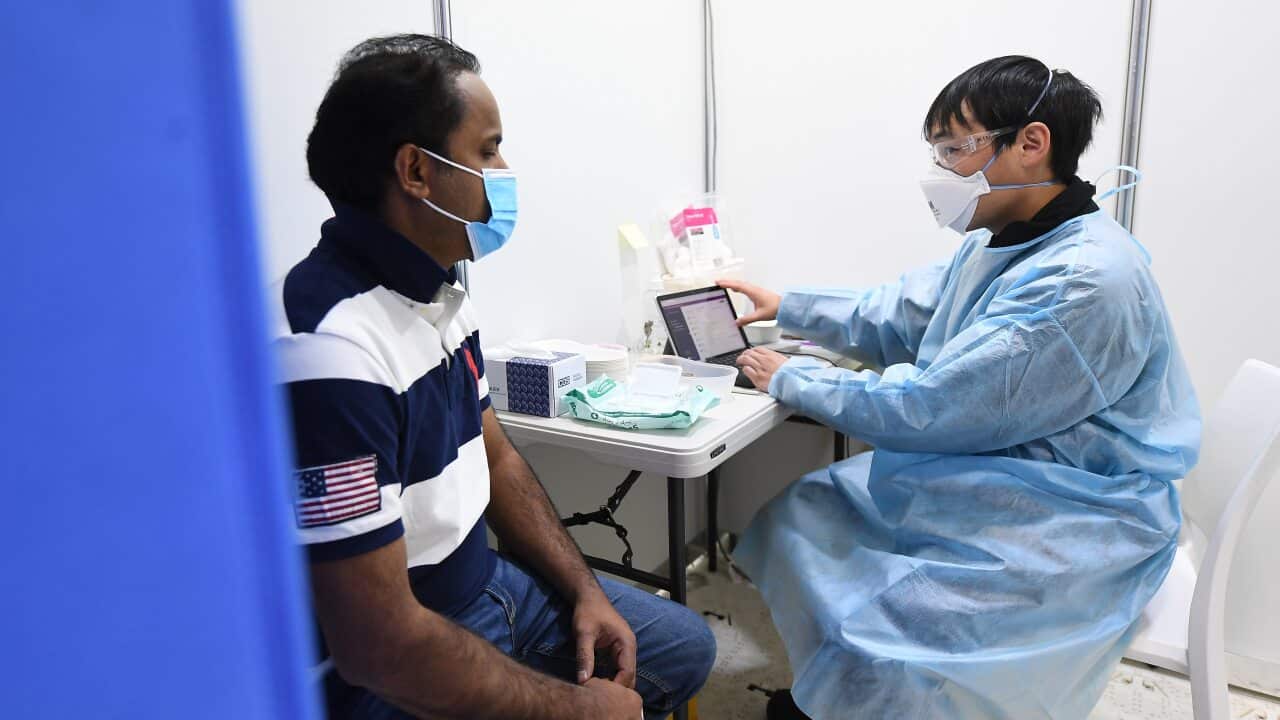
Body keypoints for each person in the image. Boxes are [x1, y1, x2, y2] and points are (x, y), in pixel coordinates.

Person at [720, 55, 1201, 720]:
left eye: (955, 149)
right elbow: (907, 312)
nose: (941, 173)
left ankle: (869, 692)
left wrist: (794, 377)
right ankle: (838, 695)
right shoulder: (1008, 241)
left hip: (1078, 515)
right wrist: (790, 306)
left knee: (895, 620)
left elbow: (933, 404)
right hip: (1009, 479)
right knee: (810, 510)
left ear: (1031, 145)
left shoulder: (1081, 280)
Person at [273, 35, 715, 720]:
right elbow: (377, 645)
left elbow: (497, 454)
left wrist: (584, 590)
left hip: (489, 581)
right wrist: (577, 710)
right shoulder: (329, 348)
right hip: (404, 645)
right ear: (416, 171)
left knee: (682, 648)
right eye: (487, 149)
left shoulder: (439, 288)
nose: (504, 171)